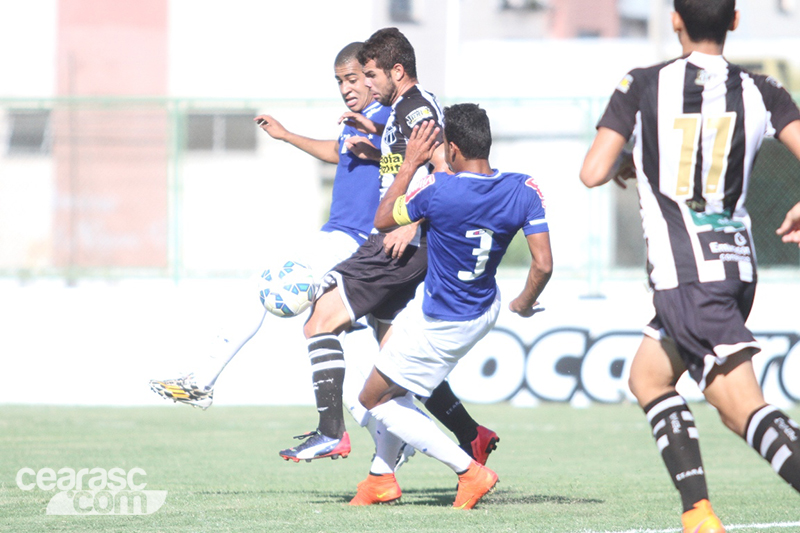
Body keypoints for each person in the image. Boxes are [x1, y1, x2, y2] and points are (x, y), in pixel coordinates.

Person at [579, 1, 800, 531]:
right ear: (734, 20)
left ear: (676, 20)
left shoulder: (643, 84)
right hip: (735, 264)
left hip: (687, 273)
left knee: (742, 409)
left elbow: (592, 171)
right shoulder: (763, 90)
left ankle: (699, 516)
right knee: (648, 377)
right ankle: (697, 513)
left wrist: (629, 159)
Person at [279, 28, 501, 466]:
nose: (366, 83)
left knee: (320, 318)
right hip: (407, 245)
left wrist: (412, 222)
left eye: (370, 74)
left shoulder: (416, 109)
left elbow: (445, 168)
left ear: (396, 71)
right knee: (394, 360)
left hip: (400, 244)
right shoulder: (404, 110)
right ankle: (466, 436)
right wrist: (377, 138)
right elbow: (411, 159)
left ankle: (331, 432)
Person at [149, 42, 390, 409]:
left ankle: (201, 381)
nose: (346, 88)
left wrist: (377, 152)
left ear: (373, 75)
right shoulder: (359, 119)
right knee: (344, 334)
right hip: (344, 238)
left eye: (353, 78)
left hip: (351, 239)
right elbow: (338, 153)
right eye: (339, 81)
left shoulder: (385, 117)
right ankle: (384, 429)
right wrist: (288, 135)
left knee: (263, 285)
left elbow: (405, 156)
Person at [348, 105, 552, 509]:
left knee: (374, 399)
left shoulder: (437, 190)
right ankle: (380, 477)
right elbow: (543, 264)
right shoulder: (524, 188)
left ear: (453, 148)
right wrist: (524, 302)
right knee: (396, 384)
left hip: (442, 319)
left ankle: (468, 470)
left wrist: (410, 163)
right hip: (484, 307)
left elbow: (383, 218)